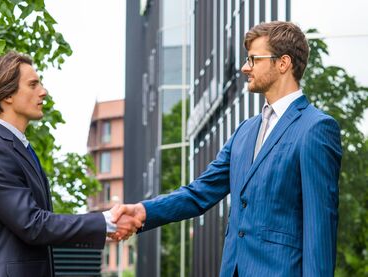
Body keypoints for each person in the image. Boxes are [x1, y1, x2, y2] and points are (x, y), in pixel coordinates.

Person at [112, 21, 342, 276]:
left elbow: (319, 227)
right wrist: (143, 211)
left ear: (283, 63)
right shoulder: (244, 131)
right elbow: (199, 193)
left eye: (254, 59)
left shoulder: (316, 128)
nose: (245, 67)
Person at [0, 51, 140, 277]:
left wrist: (102, 226)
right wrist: (105, 222)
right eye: (33, 84)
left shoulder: (14, 148)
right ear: (6, 94)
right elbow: (32, 224)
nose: (43, 92)